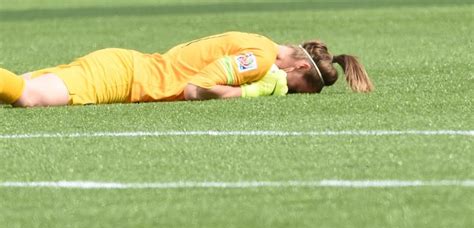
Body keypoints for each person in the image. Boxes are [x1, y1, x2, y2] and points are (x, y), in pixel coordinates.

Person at [0, 31, 373, 108]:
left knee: (19, 88)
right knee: (29, 97)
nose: (284, 88)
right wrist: (250, 91)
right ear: (293, 65)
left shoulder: (258, 43)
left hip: (124, 66)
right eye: (292, 86)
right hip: (124, 77)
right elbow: (198, 87)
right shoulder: (258, 59)